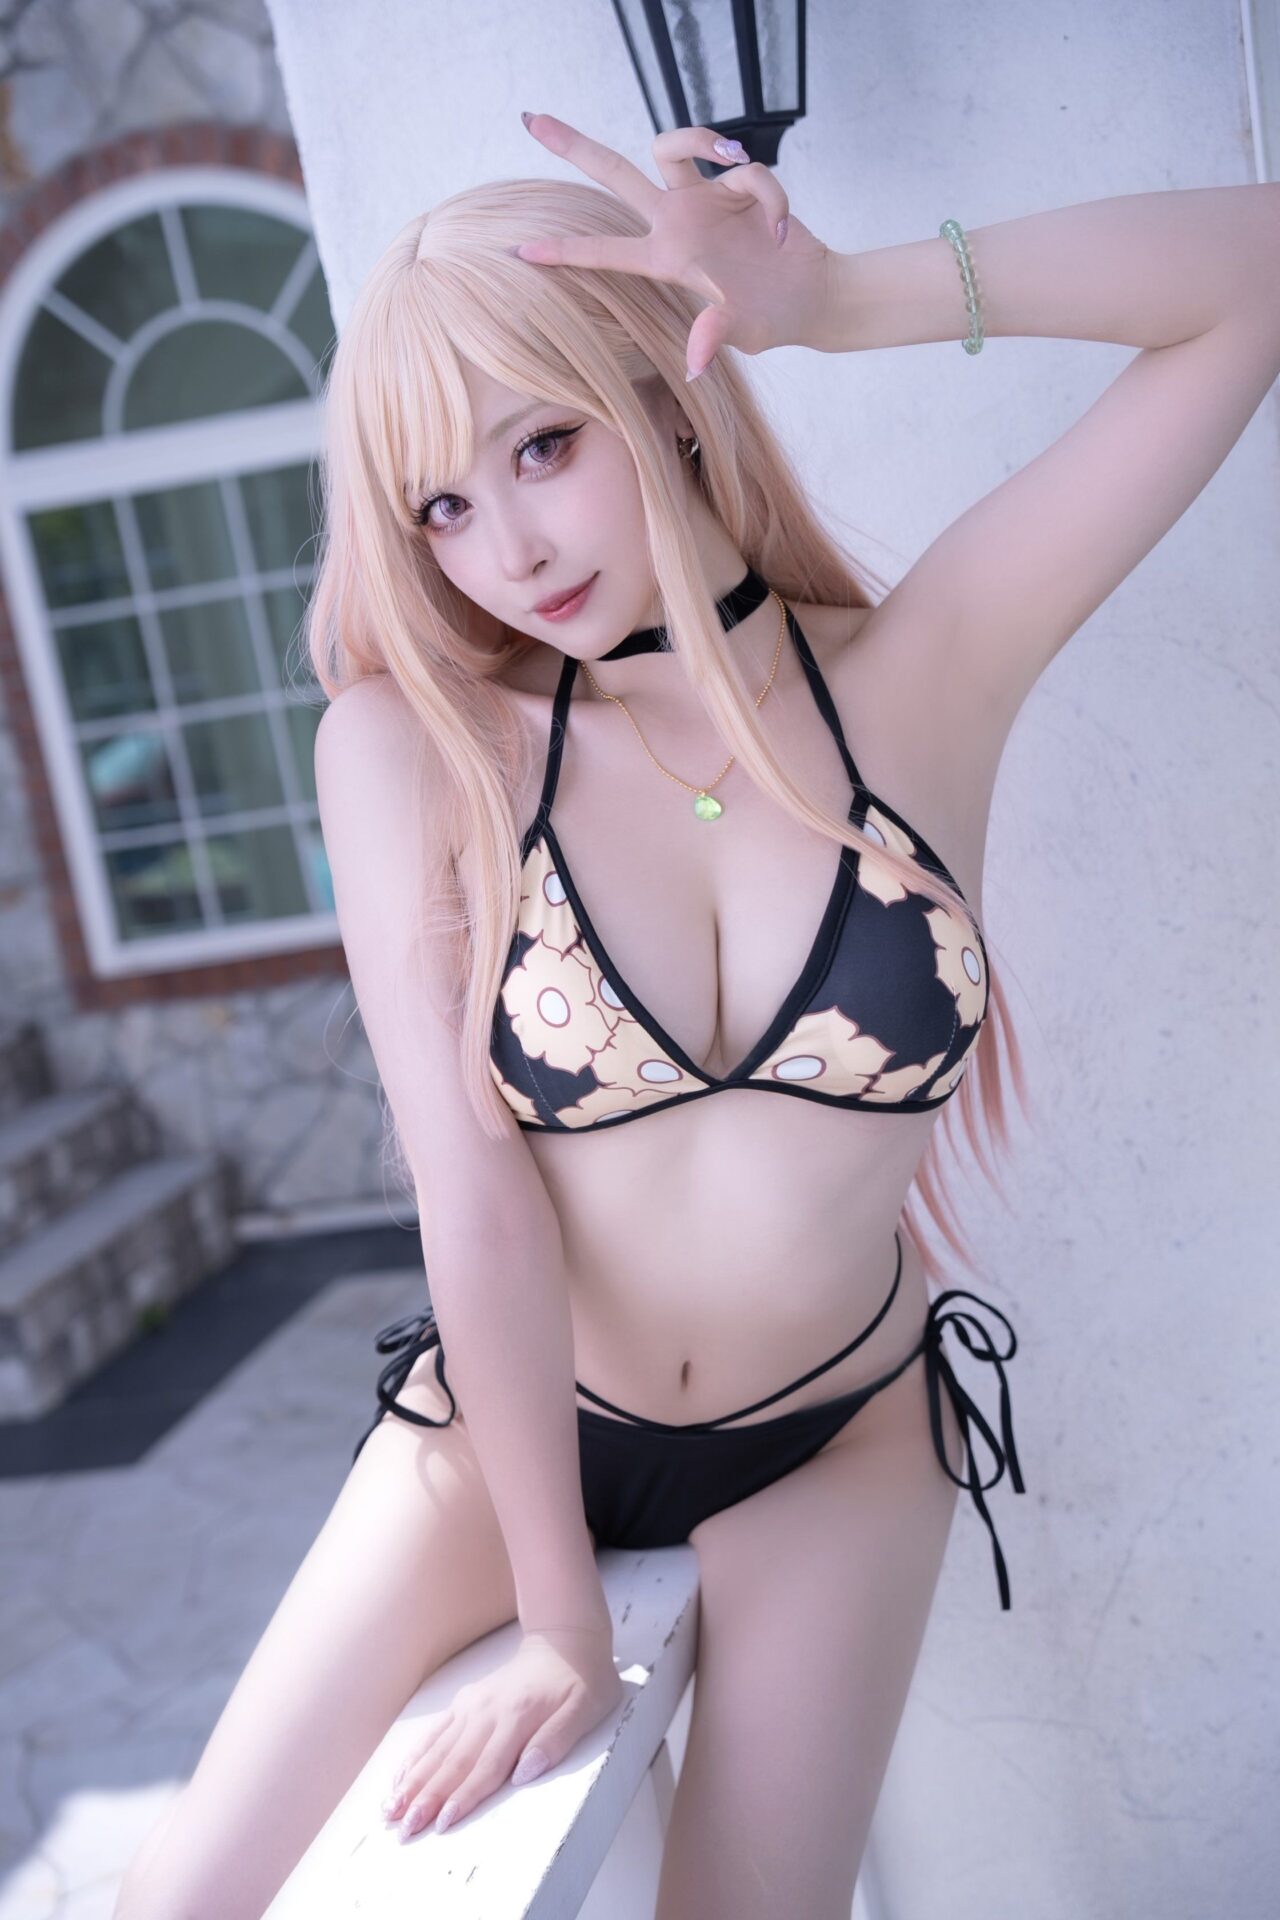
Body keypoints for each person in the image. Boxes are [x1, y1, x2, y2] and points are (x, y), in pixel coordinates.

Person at [112, 113, 1280, 1920]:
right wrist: (559, 1623)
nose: (508, 548)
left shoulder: (924, 670)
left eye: (543, 446)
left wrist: (833, 299)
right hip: (503, 1437)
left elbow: (1252, 271)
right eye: (442, 506)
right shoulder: (417, 751)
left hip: (836, 1438)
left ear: (666, 392)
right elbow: (473, 1195)